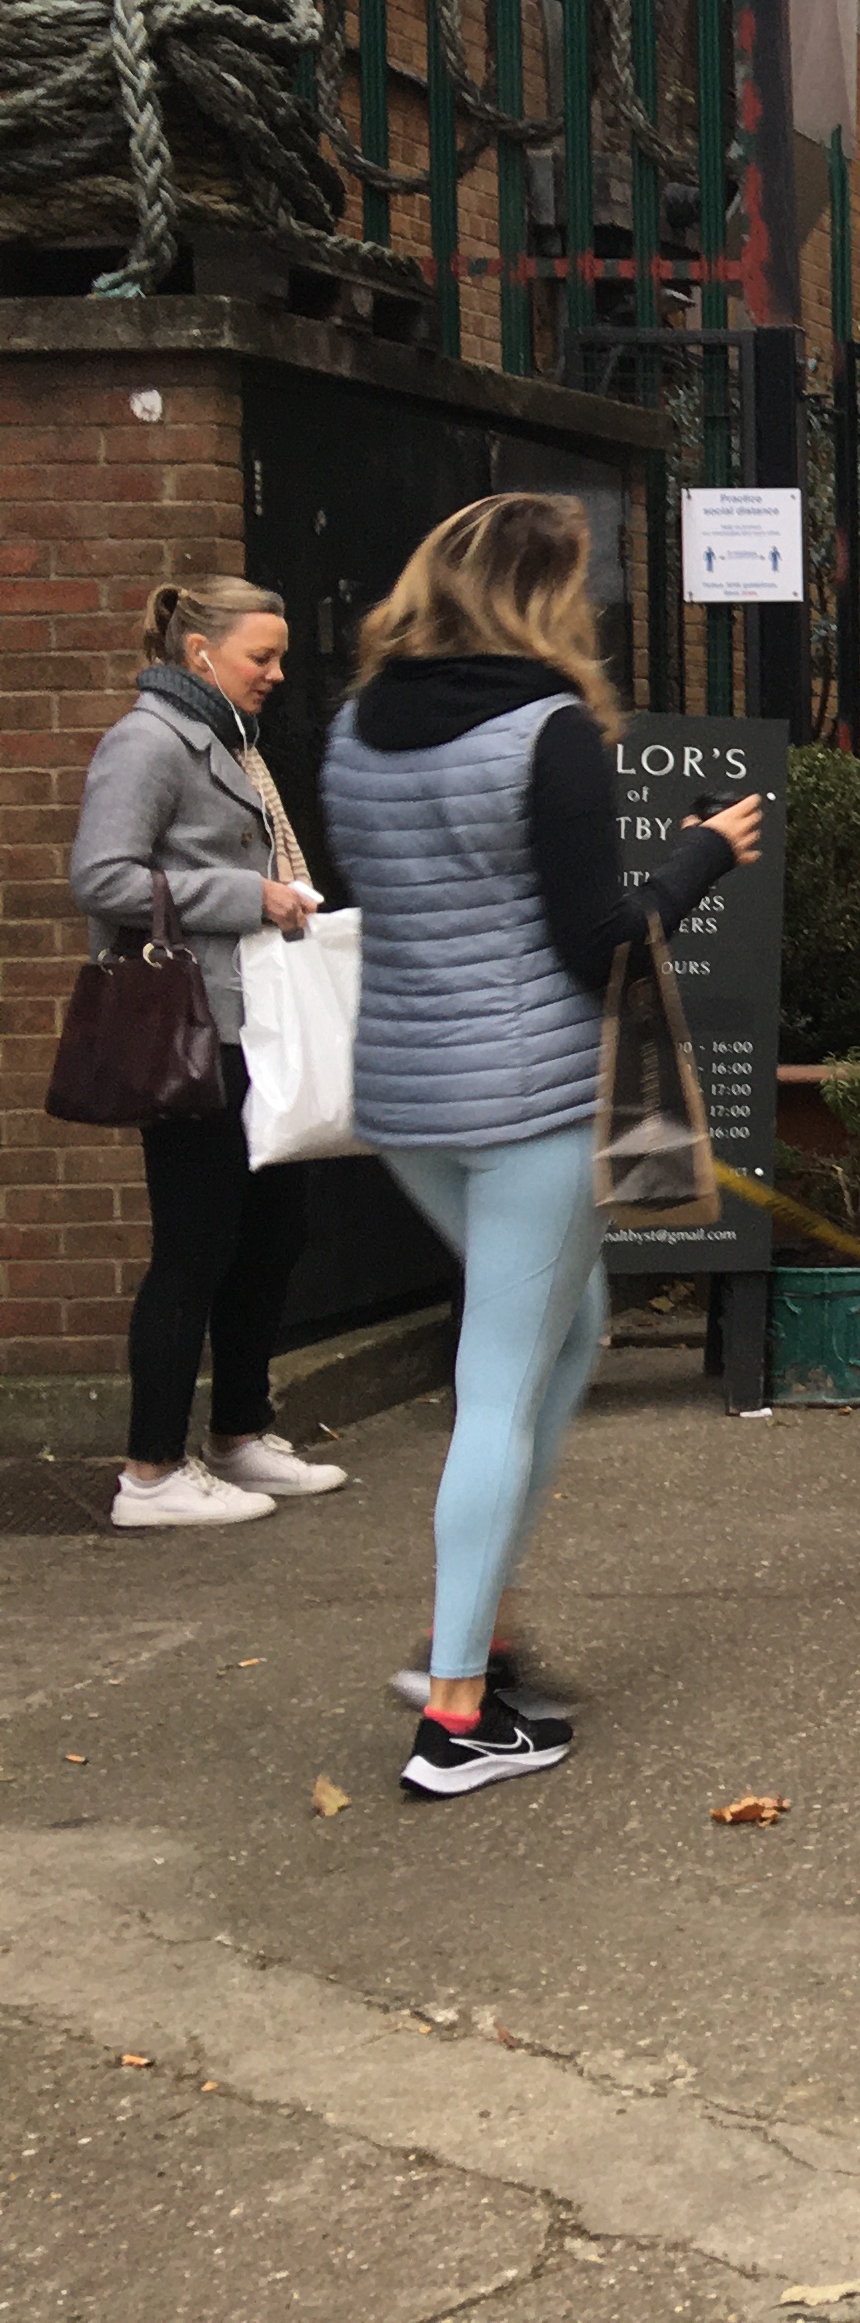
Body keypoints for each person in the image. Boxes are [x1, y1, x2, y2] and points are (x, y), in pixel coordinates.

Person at [319, 495, 764, 1801]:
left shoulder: (350, 727)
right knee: (505, 1374)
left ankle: (484, 1625)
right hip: (530, 1103)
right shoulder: (549, 734)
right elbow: (600, 939)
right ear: (540, 596)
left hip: (407, 1097)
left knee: (565, 1330)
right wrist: (700, 857)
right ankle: (457, 1712)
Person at [67, 576, 342, 1528]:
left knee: (273, 1234)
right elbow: (100, 875)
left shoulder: (229, 741)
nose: (274, 674)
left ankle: (238, 1434)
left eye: (277, 657)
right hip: (193, 1030)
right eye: (259, 657)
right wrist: (246, 895)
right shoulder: (149, 740)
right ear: (200, 654)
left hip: (252, 1022)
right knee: (195, 1246)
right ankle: (149, 1472)